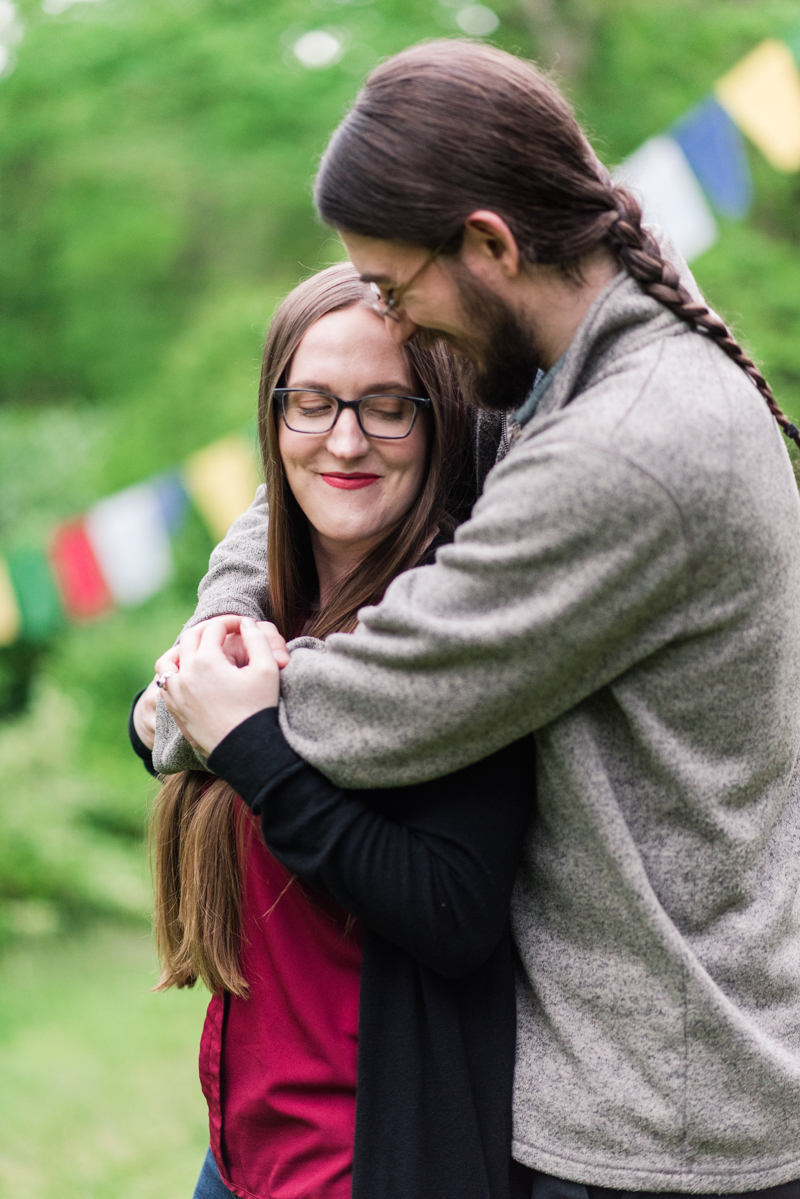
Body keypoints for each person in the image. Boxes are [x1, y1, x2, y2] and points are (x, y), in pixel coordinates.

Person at [152, 39, 800, 1199]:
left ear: (490, 244)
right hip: (625, 1090)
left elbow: (373, 704)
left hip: (659, 1124)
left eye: (402, 293)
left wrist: (197, 709)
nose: (398, 323)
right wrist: (225, 620)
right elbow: (284, 482)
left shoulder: (624, 449)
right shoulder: (578, 367)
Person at [131, 262, 534, 1199]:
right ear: (273, 424)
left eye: (386, 406)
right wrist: (163, 716)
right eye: (311, 403)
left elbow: (455, 910)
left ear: (437, 424)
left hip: (365, 1162)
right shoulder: (275, 602)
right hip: (240, 1155)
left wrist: (248, 748)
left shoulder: (450, 633)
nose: (345, 439)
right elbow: (184, 738)